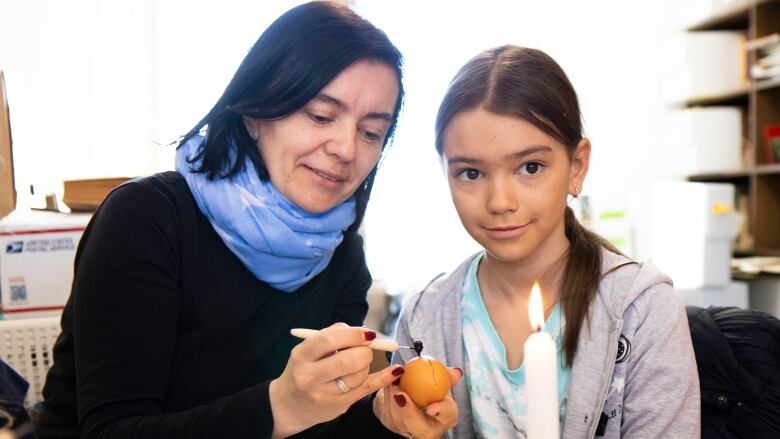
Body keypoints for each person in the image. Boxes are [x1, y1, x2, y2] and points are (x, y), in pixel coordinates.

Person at [34, 2, 459, 438]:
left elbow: (324, 424)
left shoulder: (339, 250)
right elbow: (109, 431)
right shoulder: (147, 219)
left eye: (371, 132)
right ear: (257, 113)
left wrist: (382, 418)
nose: (346, 149)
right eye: (320, 115)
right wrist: (281, 406)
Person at [391, 45, 700, 438]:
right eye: (470, 173)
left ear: (577, 165)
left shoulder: (642, 312)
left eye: (530, 167)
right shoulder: (424, 319)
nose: (500, 203)